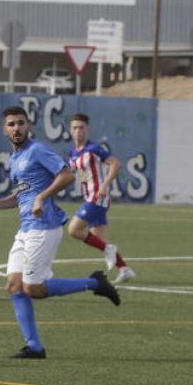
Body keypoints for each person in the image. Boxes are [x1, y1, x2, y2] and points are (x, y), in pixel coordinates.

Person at [0, 106, 122, 359]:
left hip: (43, 227)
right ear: (5, 129)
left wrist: (42, 197)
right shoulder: (15, 159)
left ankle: (95, 282)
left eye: (21, 123)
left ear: (28, 125)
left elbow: (67, 176)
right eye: (11, 124)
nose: (17, 128)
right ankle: (34, 347)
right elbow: (20, 195)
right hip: (26, 229)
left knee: (34, 289)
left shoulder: (37, 150)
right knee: (14, 286)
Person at [66, 113, 135, 283]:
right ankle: (124, 269)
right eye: (75, 128)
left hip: (97, 197)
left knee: (74, 230)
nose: (78, 131)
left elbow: (115, 164)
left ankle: (109, 250)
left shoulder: (94, 149)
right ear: (70, 130)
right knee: (100, 241)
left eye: (81, 127)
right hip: (89, 197)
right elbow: (73, 173)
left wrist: (104, 185)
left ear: (87, 130)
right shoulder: (73, 152)